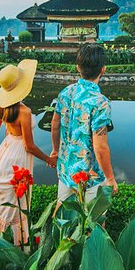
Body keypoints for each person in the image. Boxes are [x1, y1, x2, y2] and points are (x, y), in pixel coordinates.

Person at [0, 59, 55, 246]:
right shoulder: (25, 111)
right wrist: (48, 159)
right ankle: (18, 243)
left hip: (5, 151)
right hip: (19, 155)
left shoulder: (1, 107)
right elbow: (29, 146)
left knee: (6, 192)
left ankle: (1, 234)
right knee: (16, 198)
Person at [50, 43, 118, 204]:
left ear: (78, 67)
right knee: (94, 222)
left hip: (66, 169)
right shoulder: (100, 103)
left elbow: (54, 125)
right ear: (103, 70)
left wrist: (54, 151)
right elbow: (100, 146)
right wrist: (110, 178)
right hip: (90, 175)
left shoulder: (66, 92)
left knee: (63, 219)